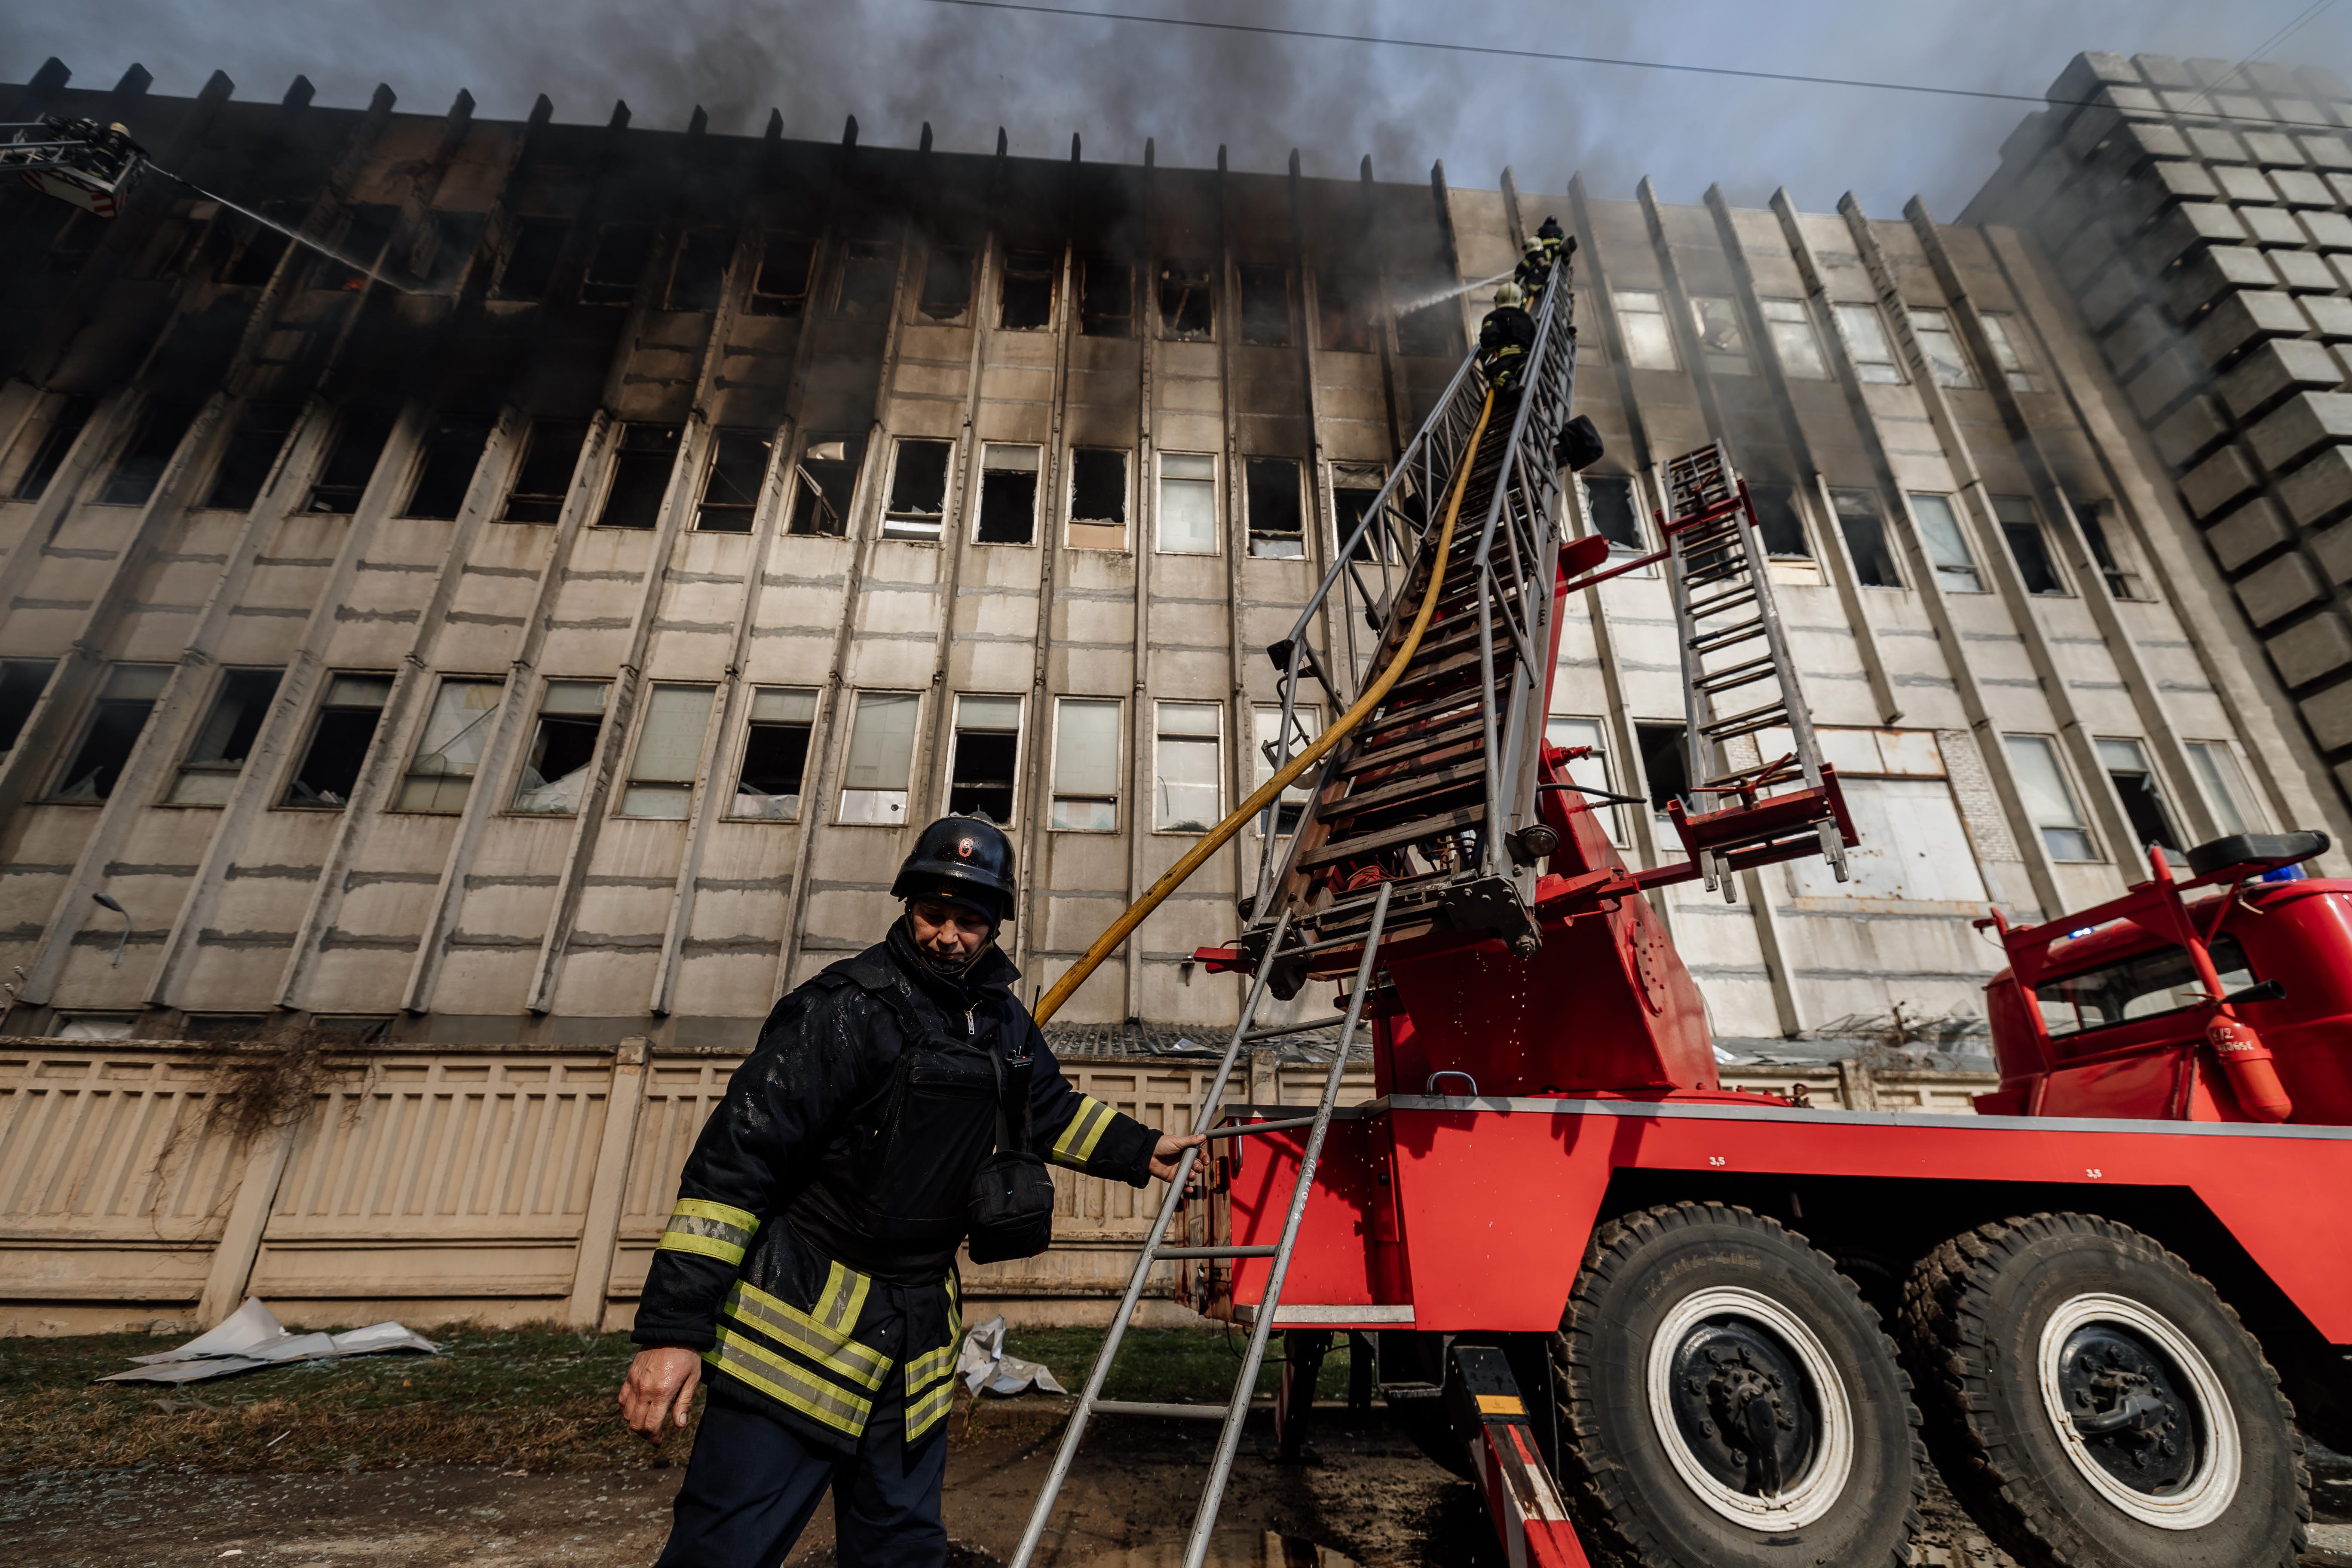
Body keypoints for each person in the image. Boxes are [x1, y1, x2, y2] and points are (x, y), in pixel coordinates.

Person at [619, 815, 1205, 1568]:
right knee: (725, 1546)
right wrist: (673, 1332)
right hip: (795, 1339)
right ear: (907, 907)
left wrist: (1140, 1147)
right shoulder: (840, 1009)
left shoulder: (999, 1018)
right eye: (934, 913)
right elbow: (734, 1166)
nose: (949, 935)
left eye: (970, 919)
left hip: (917, 1337)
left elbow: (1046, 1109)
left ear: (995, 924)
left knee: (901, 1548)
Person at [1479, 282, 1536, 390]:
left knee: (1500, 374)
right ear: (1521, 300)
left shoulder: (1493, 317)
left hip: (1503, 360)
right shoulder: (1527, 318)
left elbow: (1488, 337)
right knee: (1525, 368)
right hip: (1525, 358)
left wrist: (1485, 355)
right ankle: (1524, 373)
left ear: (1498, 300)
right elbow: (1535, 340)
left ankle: (1510, 385)